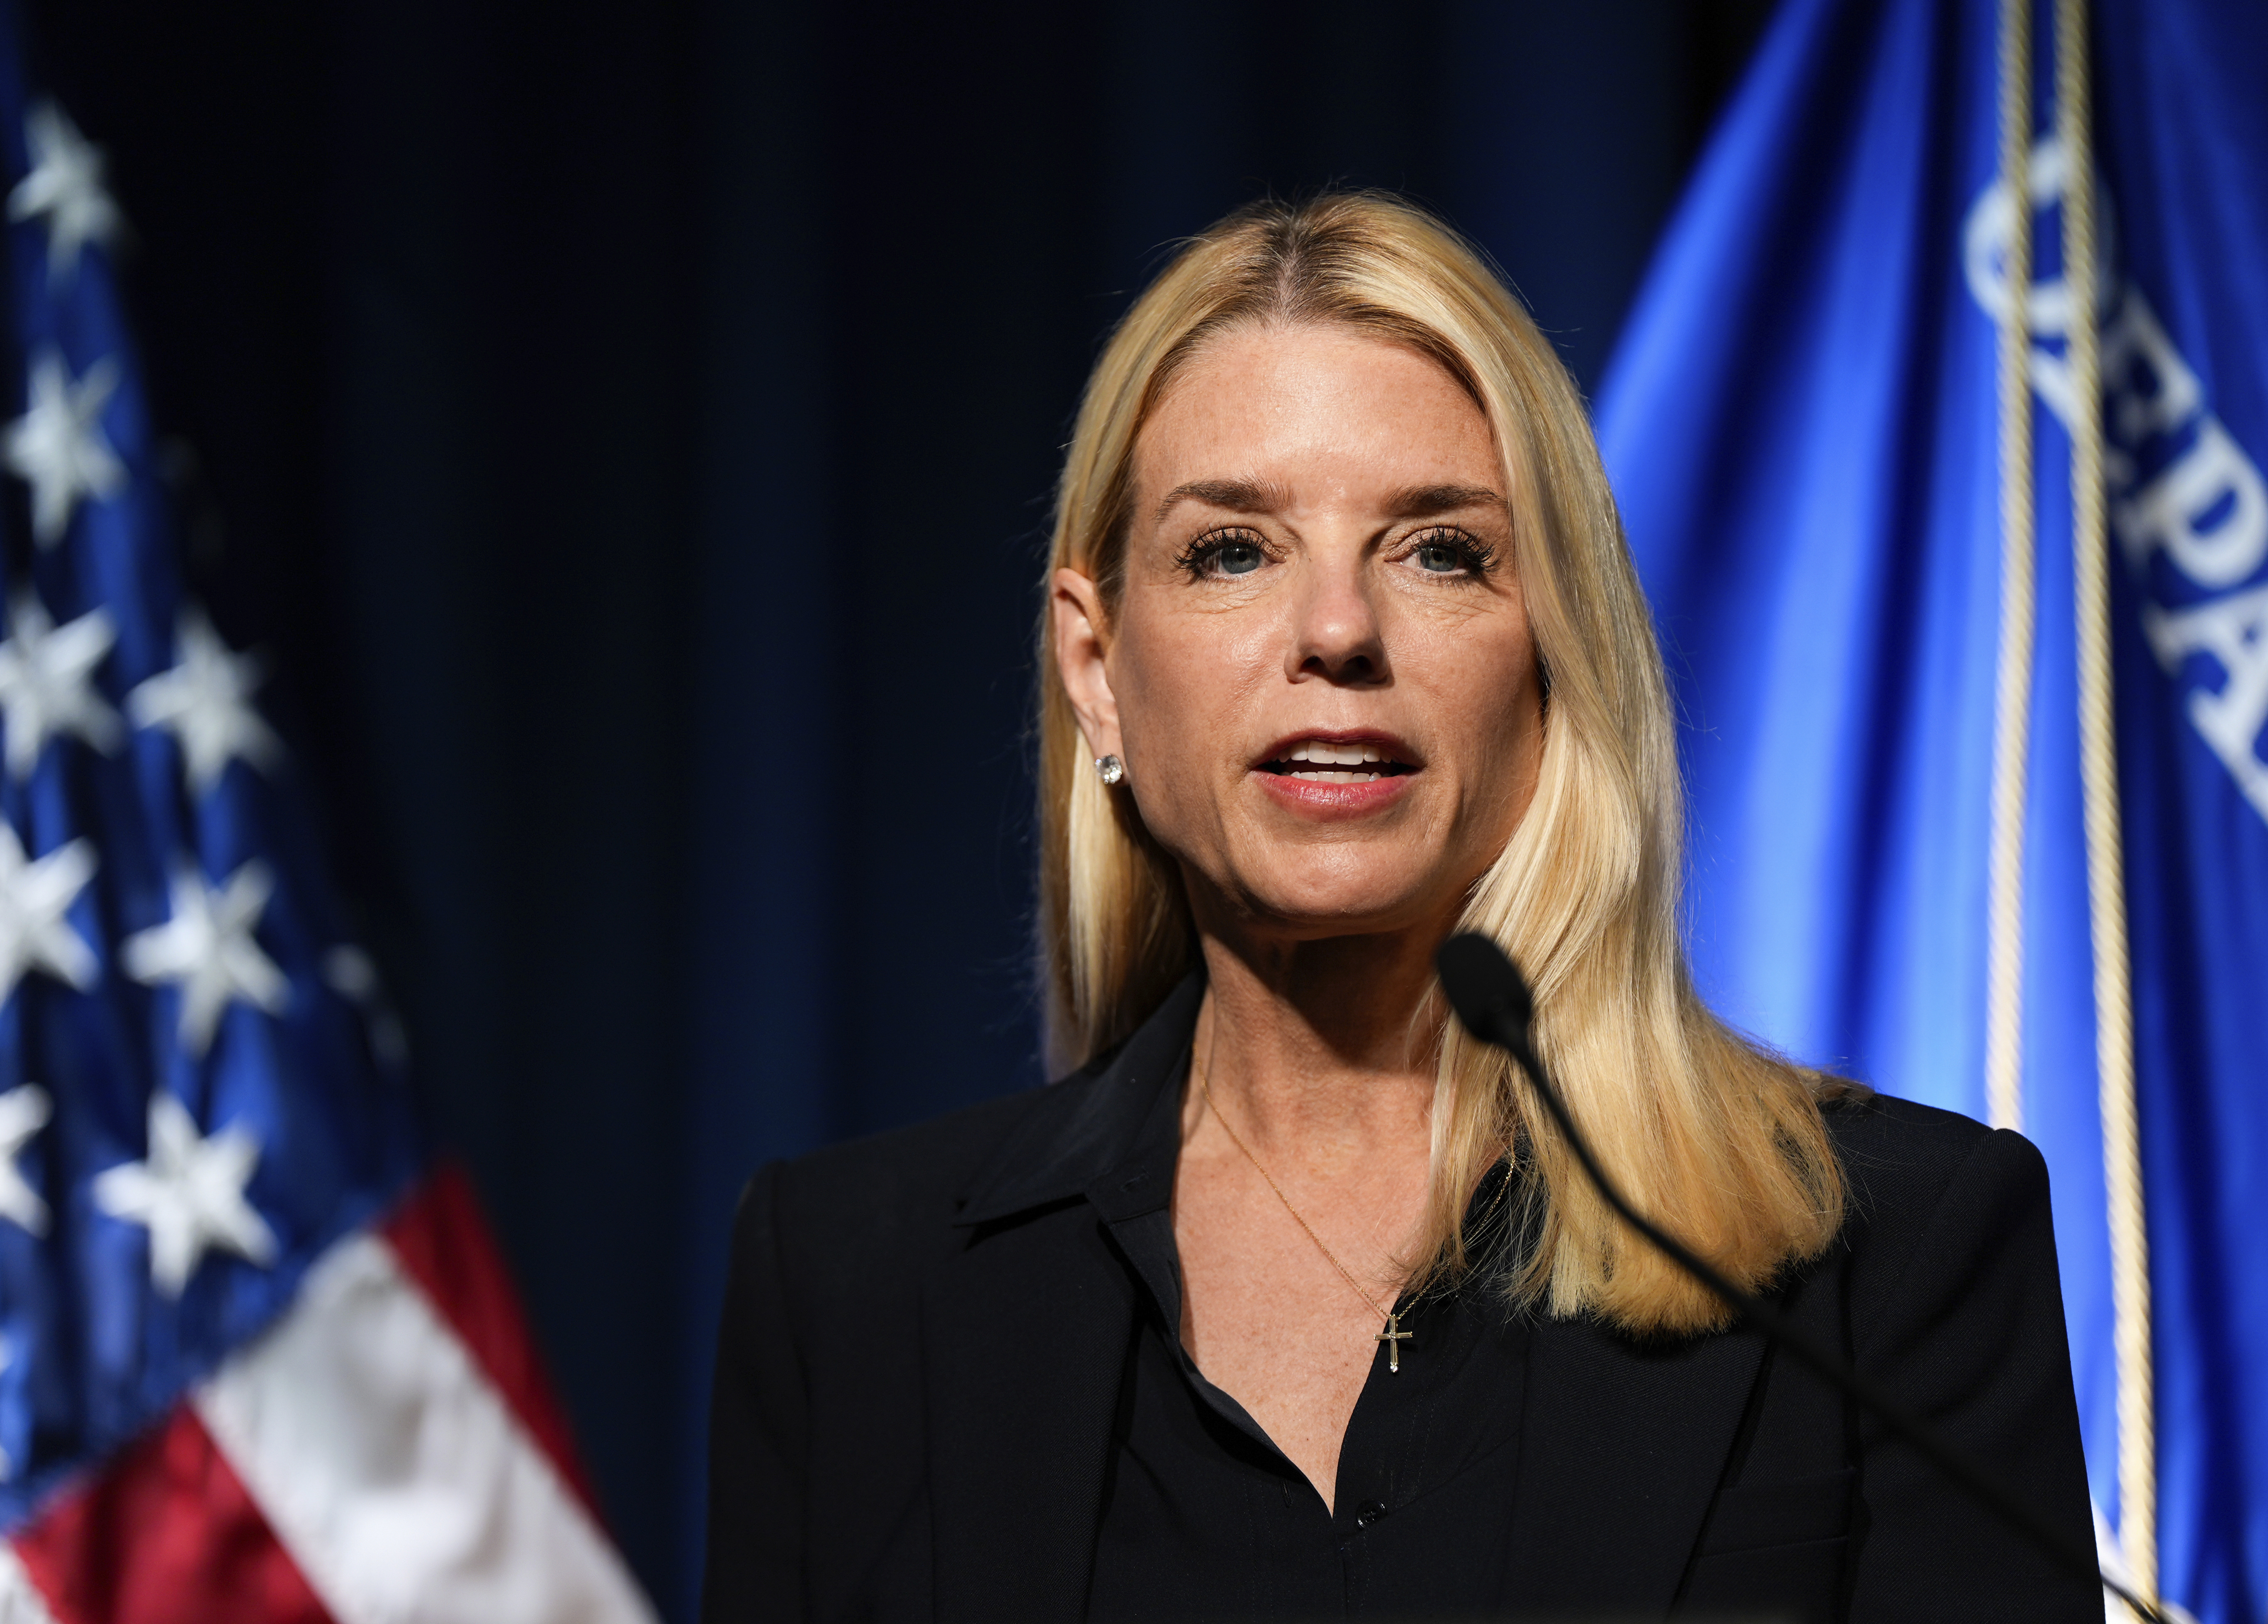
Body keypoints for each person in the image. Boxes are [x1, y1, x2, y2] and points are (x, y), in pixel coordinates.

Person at [703, 192, 2098, 1623]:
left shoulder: (1891, 1254)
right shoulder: (848, 1289)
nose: (1335, 633)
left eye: (1440, 550)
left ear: (1554, 650)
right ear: (1097, 666)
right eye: (1231, 550)